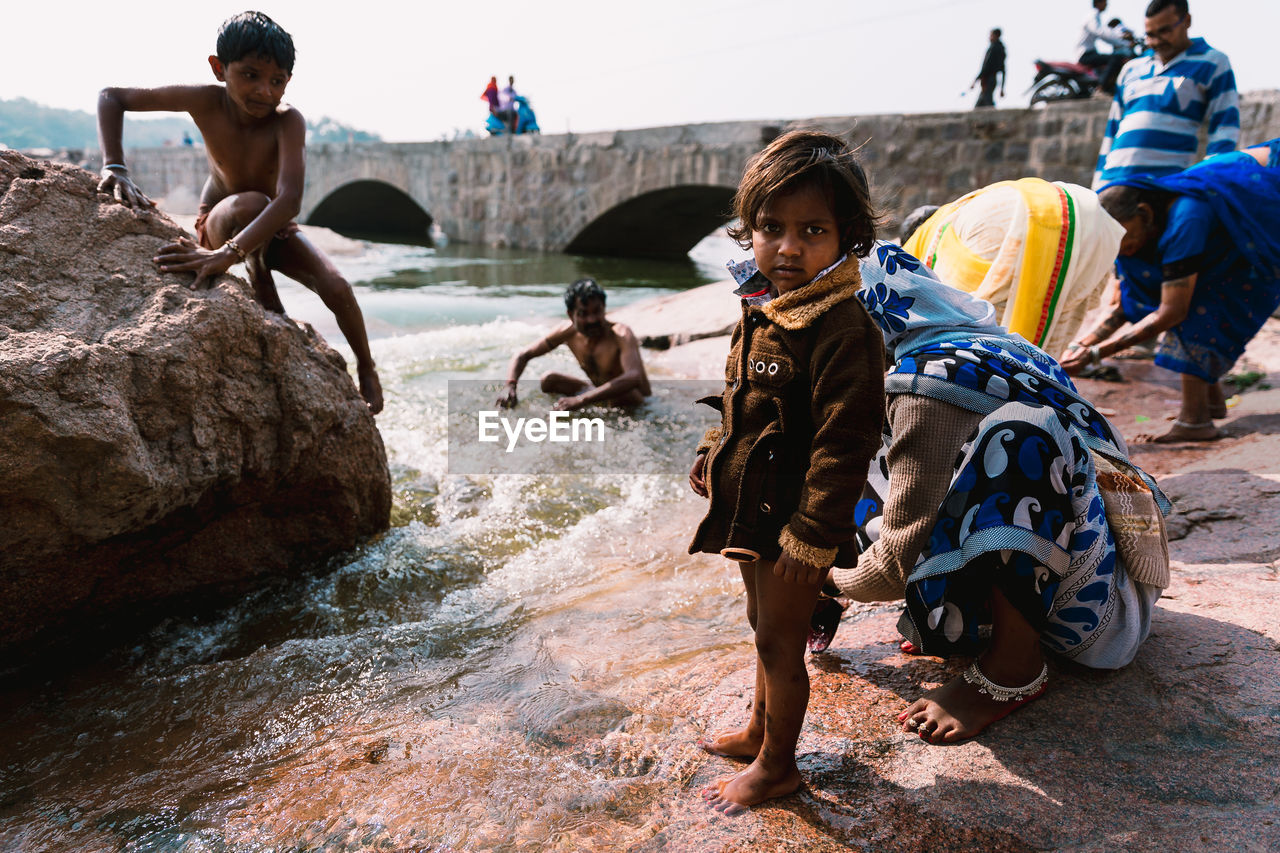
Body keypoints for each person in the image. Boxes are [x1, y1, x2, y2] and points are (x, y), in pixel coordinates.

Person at [810, 239, 1170, 744]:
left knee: (1021, 437)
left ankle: (1013, 667)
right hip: (1073, 559)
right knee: (843, 448)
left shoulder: (924, 384)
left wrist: (825, 581)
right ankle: (970, 621)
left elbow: (898, 559)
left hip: (1094, 610)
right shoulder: (993, 346)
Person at [687, 130, 886, 814]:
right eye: (771, 228)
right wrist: (715, 452)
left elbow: (846, 440)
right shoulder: (765, 307)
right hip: (757, 509)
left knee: (781, 638)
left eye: (812, 230)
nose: (788, 247)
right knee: (761, 623)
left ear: (849, 236)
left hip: (798, 522)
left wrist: (813, 532)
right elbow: (745, 398)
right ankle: (758, 728)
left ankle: (778, 765)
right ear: (749, 231)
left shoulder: (843, 328)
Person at [96, 11, 383, 414]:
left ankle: (367, 368)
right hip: (219, 220)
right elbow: (113, 97)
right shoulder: (204, 100)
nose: (265, 91)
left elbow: (290, 200)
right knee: (250, 203)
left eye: (277, 81)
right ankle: (259, 274)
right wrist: (115, 166)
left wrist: (230, 254)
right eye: (250, 75)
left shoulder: (288, 122)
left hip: (269, 226)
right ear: (219, 68)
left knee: (337, 287)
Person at [1062, 139, 1280, 443]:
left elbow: (1171, 310)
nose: (1124, 252)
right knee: (1189, 297)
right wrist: (1080, 345)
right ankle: (1211, 403)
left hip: (1250, 248)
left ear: (1146, 214)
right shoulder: (1136, 236)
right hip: (1218, 244)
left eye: (1125, 241)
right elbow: (1130, 303)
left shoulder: (1186, 217)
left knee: (1195, 312)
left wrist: (1097, 354)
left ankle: (1195, 421)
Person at [901, 178, 1125, 357]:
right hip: (1089, 220)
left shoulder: (927, 241)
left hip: (1016, 221)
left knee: (961, 336)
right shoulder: (967, 206)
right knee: (1052, 318)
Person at [1092, 0, 1238, 189]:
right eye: (1150, 35)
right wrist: (1097, 187)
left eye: (1165, 31)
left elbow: (1225, 129)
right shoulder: (1131, 69)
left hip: (1163, 186)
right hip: (1112, 184)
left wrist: (1210, 182)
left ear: (1187, 21)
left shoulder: (1213, 62)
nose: (1156, 42)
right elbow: (1112, 132)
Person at [496, 278, 651, 411]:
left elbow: (633, 377)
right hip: (598, 394)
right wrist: (510, 386)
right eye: (583, 314)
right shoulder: (567, 332)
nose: (592, 319)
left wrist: (581, 400)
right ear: (571, 315)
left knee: (622, 393)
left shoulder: (620, 334)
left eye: (597, 311)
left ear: (604, 308)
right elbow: (522, 355)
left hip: (636, 402)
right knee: (549, 380)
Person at [1077, 0, 1134, 96]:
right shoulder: (1092, 16)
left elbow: (1106, 33)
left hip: (1090, 52)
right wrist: (1123, 42)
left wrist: (1120, 40)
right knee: (1116, 58)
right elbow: (1101, 33)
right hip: (1085, 54)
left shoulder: (1095, 16)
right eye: (1105, 2)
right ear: (1098, 3)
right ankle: (1101, 87)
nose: (1107, 4)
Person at [972, 28, 1006, 109]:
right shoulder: (1001, 49)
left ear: (995, 36)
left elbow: (986, 67)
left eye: (991, 35)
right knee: (980, 105)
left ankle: (996, 120)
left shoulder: (994, 49)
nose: (989, 37)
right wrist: (1002, 87)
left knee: (988, 103)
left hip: (988, 80)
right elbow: (1003, 70)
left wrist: (976, 80)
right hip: (992, 80)